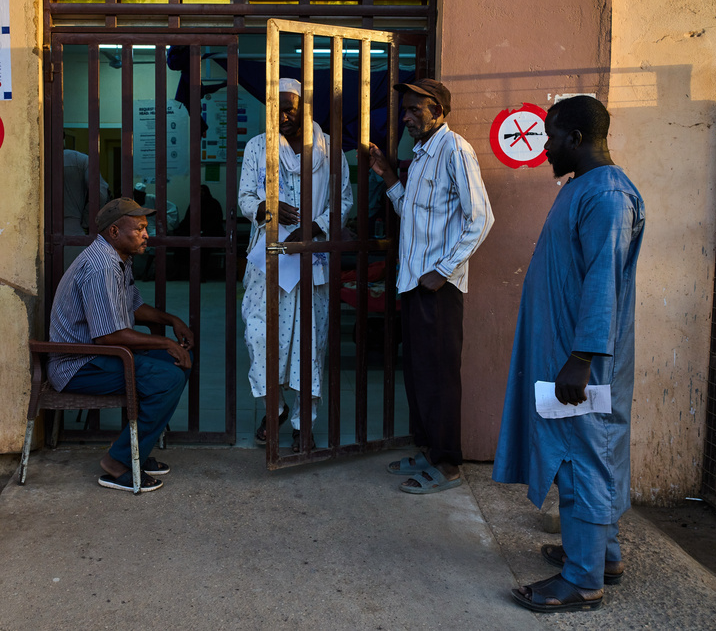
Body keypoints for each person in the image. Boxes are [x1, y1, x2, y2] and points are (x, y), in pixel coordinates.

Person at [492, 95, 645, 613]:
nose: (544, 148)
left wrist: (580, 358)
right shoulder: (583, 188)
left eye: (551, 138)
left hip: (584, 362)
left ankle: (583, 580)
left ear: (576, 139)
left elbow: (604, 282)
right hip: (568, 355)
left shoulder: (607, 198)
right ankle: (603, 556)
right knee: (586, 455)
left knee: (584, 460)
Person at [370, 78, 493, 493]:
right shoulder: (421, 156)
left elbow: (481, 218)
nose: (406, 117)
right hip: (414, 284)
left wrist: (443, 269)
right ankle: (427, 449)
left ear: (438, 111)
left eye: (415, 110)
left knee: (440, 378)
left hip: (438, 289)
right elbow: (413, 214)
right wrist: (388, 176)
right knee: (420, 375)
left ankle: (447, 465)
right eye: (405, 110)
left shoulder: (455, 149)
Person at [48, 197, 194, 492]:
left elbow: (134, 308)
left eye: (145, 227)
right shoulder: (101, 267)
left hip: (101, 357)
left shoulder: (118, 261)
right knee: (167, 377)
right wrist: (165, 341)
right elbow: (108, 335)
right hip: (79, 364)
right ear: (114, 232)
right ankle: (118, 462)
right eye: (139, 228)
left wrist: (171, 320)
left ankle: (133, 450)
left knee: (177, 365)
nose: (146, 234)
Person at [239, 78, 353, 452]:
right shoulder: (258, 147)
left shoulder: (329, 151)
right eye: (277, 109)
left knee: (309, 346)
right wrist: (265, 208)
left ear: (306, 108)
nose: (284, 116)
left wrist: (311, 227)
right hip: (267, 260)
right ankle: (276, 408)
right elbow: (244, 197)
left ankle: (305, 426)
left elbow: (344, 202)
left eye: (291, 108)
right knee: (259, 337)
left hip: (310, 261)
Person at [64, 148, 109, 235]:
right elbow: (100, 195)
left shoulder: (42, 160)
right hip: (73, 230)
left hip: (41, 230)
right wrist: (86, 220)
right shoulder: (80, 159)